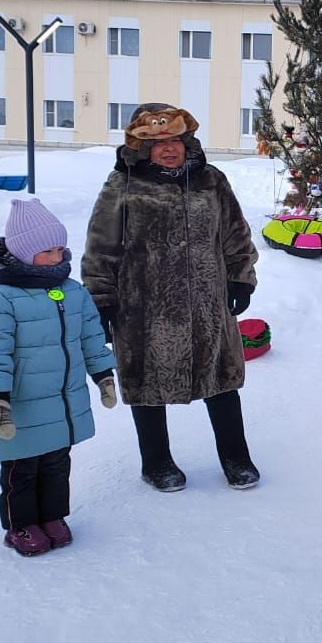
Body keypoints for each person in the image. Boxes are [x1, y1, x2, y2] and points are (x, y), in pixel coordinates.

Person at [82, 103, 261, 492]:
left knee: (222, 379)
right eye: (158, 142)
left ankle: (236, 457)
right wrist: (102, 299)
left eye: (175, 140)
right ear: (143, 146)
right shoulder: (123, 185)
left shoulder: (212, 180)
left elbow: (235, 234)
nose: (169, 148)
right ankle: (156, 462)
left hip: (208, 306)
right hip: (145, 308)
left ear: (187, 141)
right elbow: (101, 246)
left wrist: (240, 279)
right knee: (147, 381)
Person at [0, 199, 117, 555]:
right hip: (22, 405)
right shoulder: (2, 298)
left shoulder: (72, 291)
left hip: (63, 400)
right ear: (22, 253)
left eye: (59, 249)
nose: (57, 257)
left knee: (55, 464)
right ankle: (19, 526)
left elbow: (90, 336)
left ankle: (52, 516)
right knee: (22, 469)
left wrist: (103, 375)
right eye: (46, 251)